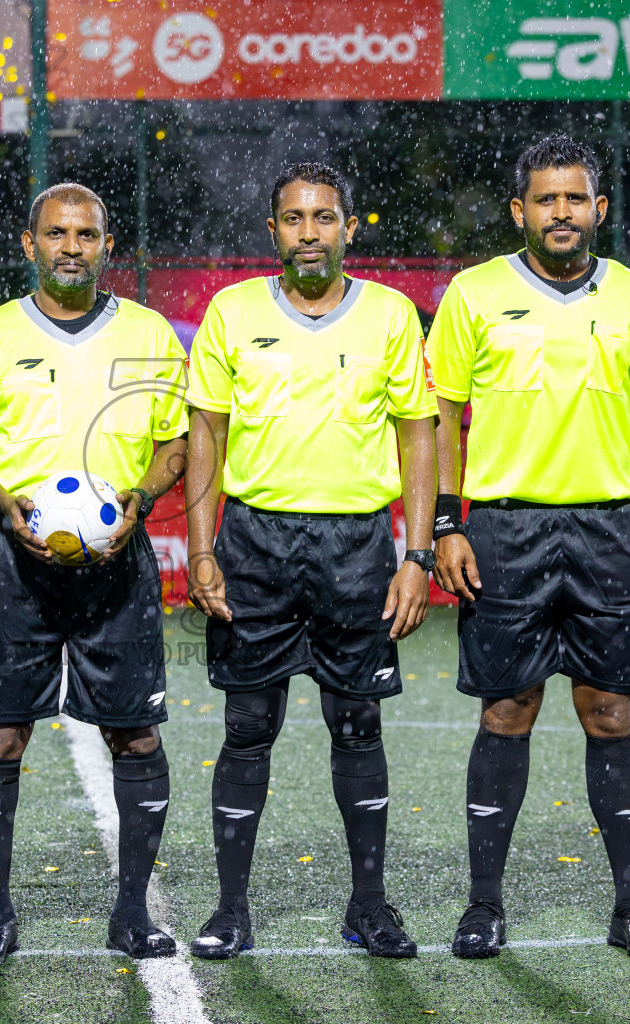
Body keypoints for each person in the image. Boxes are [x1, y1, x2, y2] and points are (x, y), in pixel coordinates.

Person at [428, 135, 630, 961]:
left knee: (609, 714)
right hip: (505, 528)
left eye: (575, 199)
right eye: (546, 199)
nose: (562, 213)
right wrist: (445, 522)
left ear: (598, 210)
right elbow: (442, 414)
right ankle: (483, 906)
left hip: (610, 528)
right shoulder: (474, 295)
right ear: (520, 211)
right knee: (507, 711)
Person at [184, 162, 436, 960]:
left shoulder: (392, 316)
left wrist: (417, 554)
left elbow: (418, 436)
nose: (308, 233)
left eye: (324, 218)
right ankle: (231, 910)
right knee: (248, 726)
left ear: (349, 227)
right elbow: (206, 437)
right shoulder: (231, 312)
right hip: (253, 544)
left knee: (357, 726)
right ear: (272, 232)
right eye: (293, 219)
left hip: (357, 548)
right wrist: (199, 545)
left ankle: (369, 905)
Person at [0, 182, 189, 963]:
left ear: (106, 245)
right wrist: (6, 504)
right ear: (29, 244)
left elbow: (175, 444)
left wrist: (141, 499)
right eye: (57, 234)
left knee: (135, 737)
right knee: (0, 737)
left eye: (87, 234)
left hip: (117, 560)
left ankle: (131, 914)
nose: (72, 248)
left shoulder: (151, 335)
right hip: (15, 559)